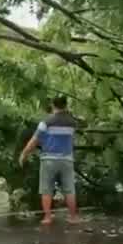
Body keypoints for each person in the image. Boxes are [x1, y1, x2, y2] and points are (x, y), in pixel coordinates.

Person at [19, 96, 80, 225]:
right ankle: (73, 217)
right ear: (66, 105)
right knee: (69, 189)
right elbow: (71, 140)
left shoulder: (46, 122)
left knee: (46, 189)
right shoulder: (73, 123)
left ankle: (47, 217)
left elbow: (34, 141)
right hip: (67, 159)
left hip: (49, 159)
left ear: (53, 105)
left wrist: (24, 154)